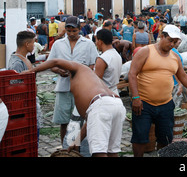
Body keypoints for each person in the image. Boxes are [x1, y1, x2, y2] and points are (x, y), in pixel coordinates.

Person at [128, 25, 187, 156]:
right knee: (140, 138)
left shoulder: (174, 57)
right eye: (170, 40)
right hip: (144, 104)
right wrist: (135, 98)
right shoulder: (146, 51)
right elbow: (132, 74)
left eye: (175, 42)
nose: (172, 44)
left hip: (165, 104)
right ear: (162, 36)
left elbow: (182, 75)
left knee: (165, 138)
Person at [31, 58, 126, 157]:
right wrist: (77, 141)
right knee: (111, 151)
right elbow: (91, 118)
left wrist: (32, 71)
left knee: (99, 152)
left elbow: (55, 62)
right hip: (116, 104)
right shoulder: (89, 78)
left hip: (101, 105)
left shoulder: (78, 68)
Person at [47, 16, 98, 144]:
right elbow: (50, 64)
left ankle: (79, 146)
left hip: (82, 89)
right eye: (68, 30)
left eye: (74, 30)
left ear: (79, 29)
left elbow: (94, 64)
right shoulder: (58, 44)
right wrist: (58, 71)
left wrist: (80, 72)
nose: (71, 34)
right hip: (63, 88)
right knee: (63, 121)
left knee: (80, 120)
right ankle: (65, 147)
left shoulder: (88, 44)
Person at [94, 29, 122, 95]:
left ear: (100, 41)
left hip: (105, 94)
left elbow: (96, 82)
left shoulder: (102, 59)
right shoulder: (116, 54)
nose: (96, 43)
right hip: (115, 91)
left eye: (96, 40)